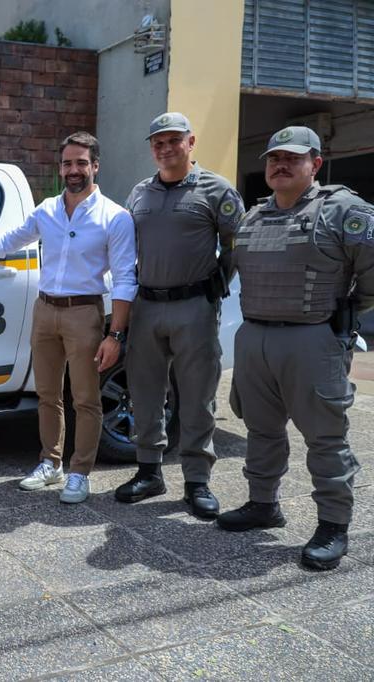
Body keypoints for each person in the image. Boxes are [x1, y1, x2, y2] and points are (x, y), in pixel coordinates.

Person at [0, 132, 137, 503]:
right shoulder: (47, 210)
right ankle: (51, 462)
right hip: (45, 310)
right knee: (47, 394)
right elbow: (7, 241)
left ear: (95, 166)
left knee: (85, 399)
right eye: (67, 163)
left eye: (81, 163)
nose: (73, 170)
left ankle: (80, 472)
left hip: (85, 313)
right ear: (60, 168)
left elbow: (125, 279)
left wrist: (115, 335)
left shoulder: (115, 217)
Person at [216, 126, 374, 570]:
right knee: (261, 429)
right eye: (274, 158)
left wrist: (343, 313)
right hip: (255, 338)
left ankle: (333, 525)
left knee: (324, 436)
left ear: (315, 164)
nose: (280, 165)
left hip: (312, 339)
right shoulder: (252, 216)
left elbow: (371, 273)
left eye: (293, 158)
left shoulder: (343, 210)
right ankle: (262, 504)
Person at [116, 112, 244, 518]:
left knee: (196, 396)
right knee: (145, 393)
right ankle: (149, 472)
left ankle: (197, 481)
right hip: (147, 306)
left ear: (190, 143)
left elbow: (236, 244)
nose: (166, 148)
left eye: (174, 140)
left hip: (194, 307)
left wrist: (214, 285)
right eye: (158, 142)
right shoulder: (139, 193)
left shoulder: (216, 189)